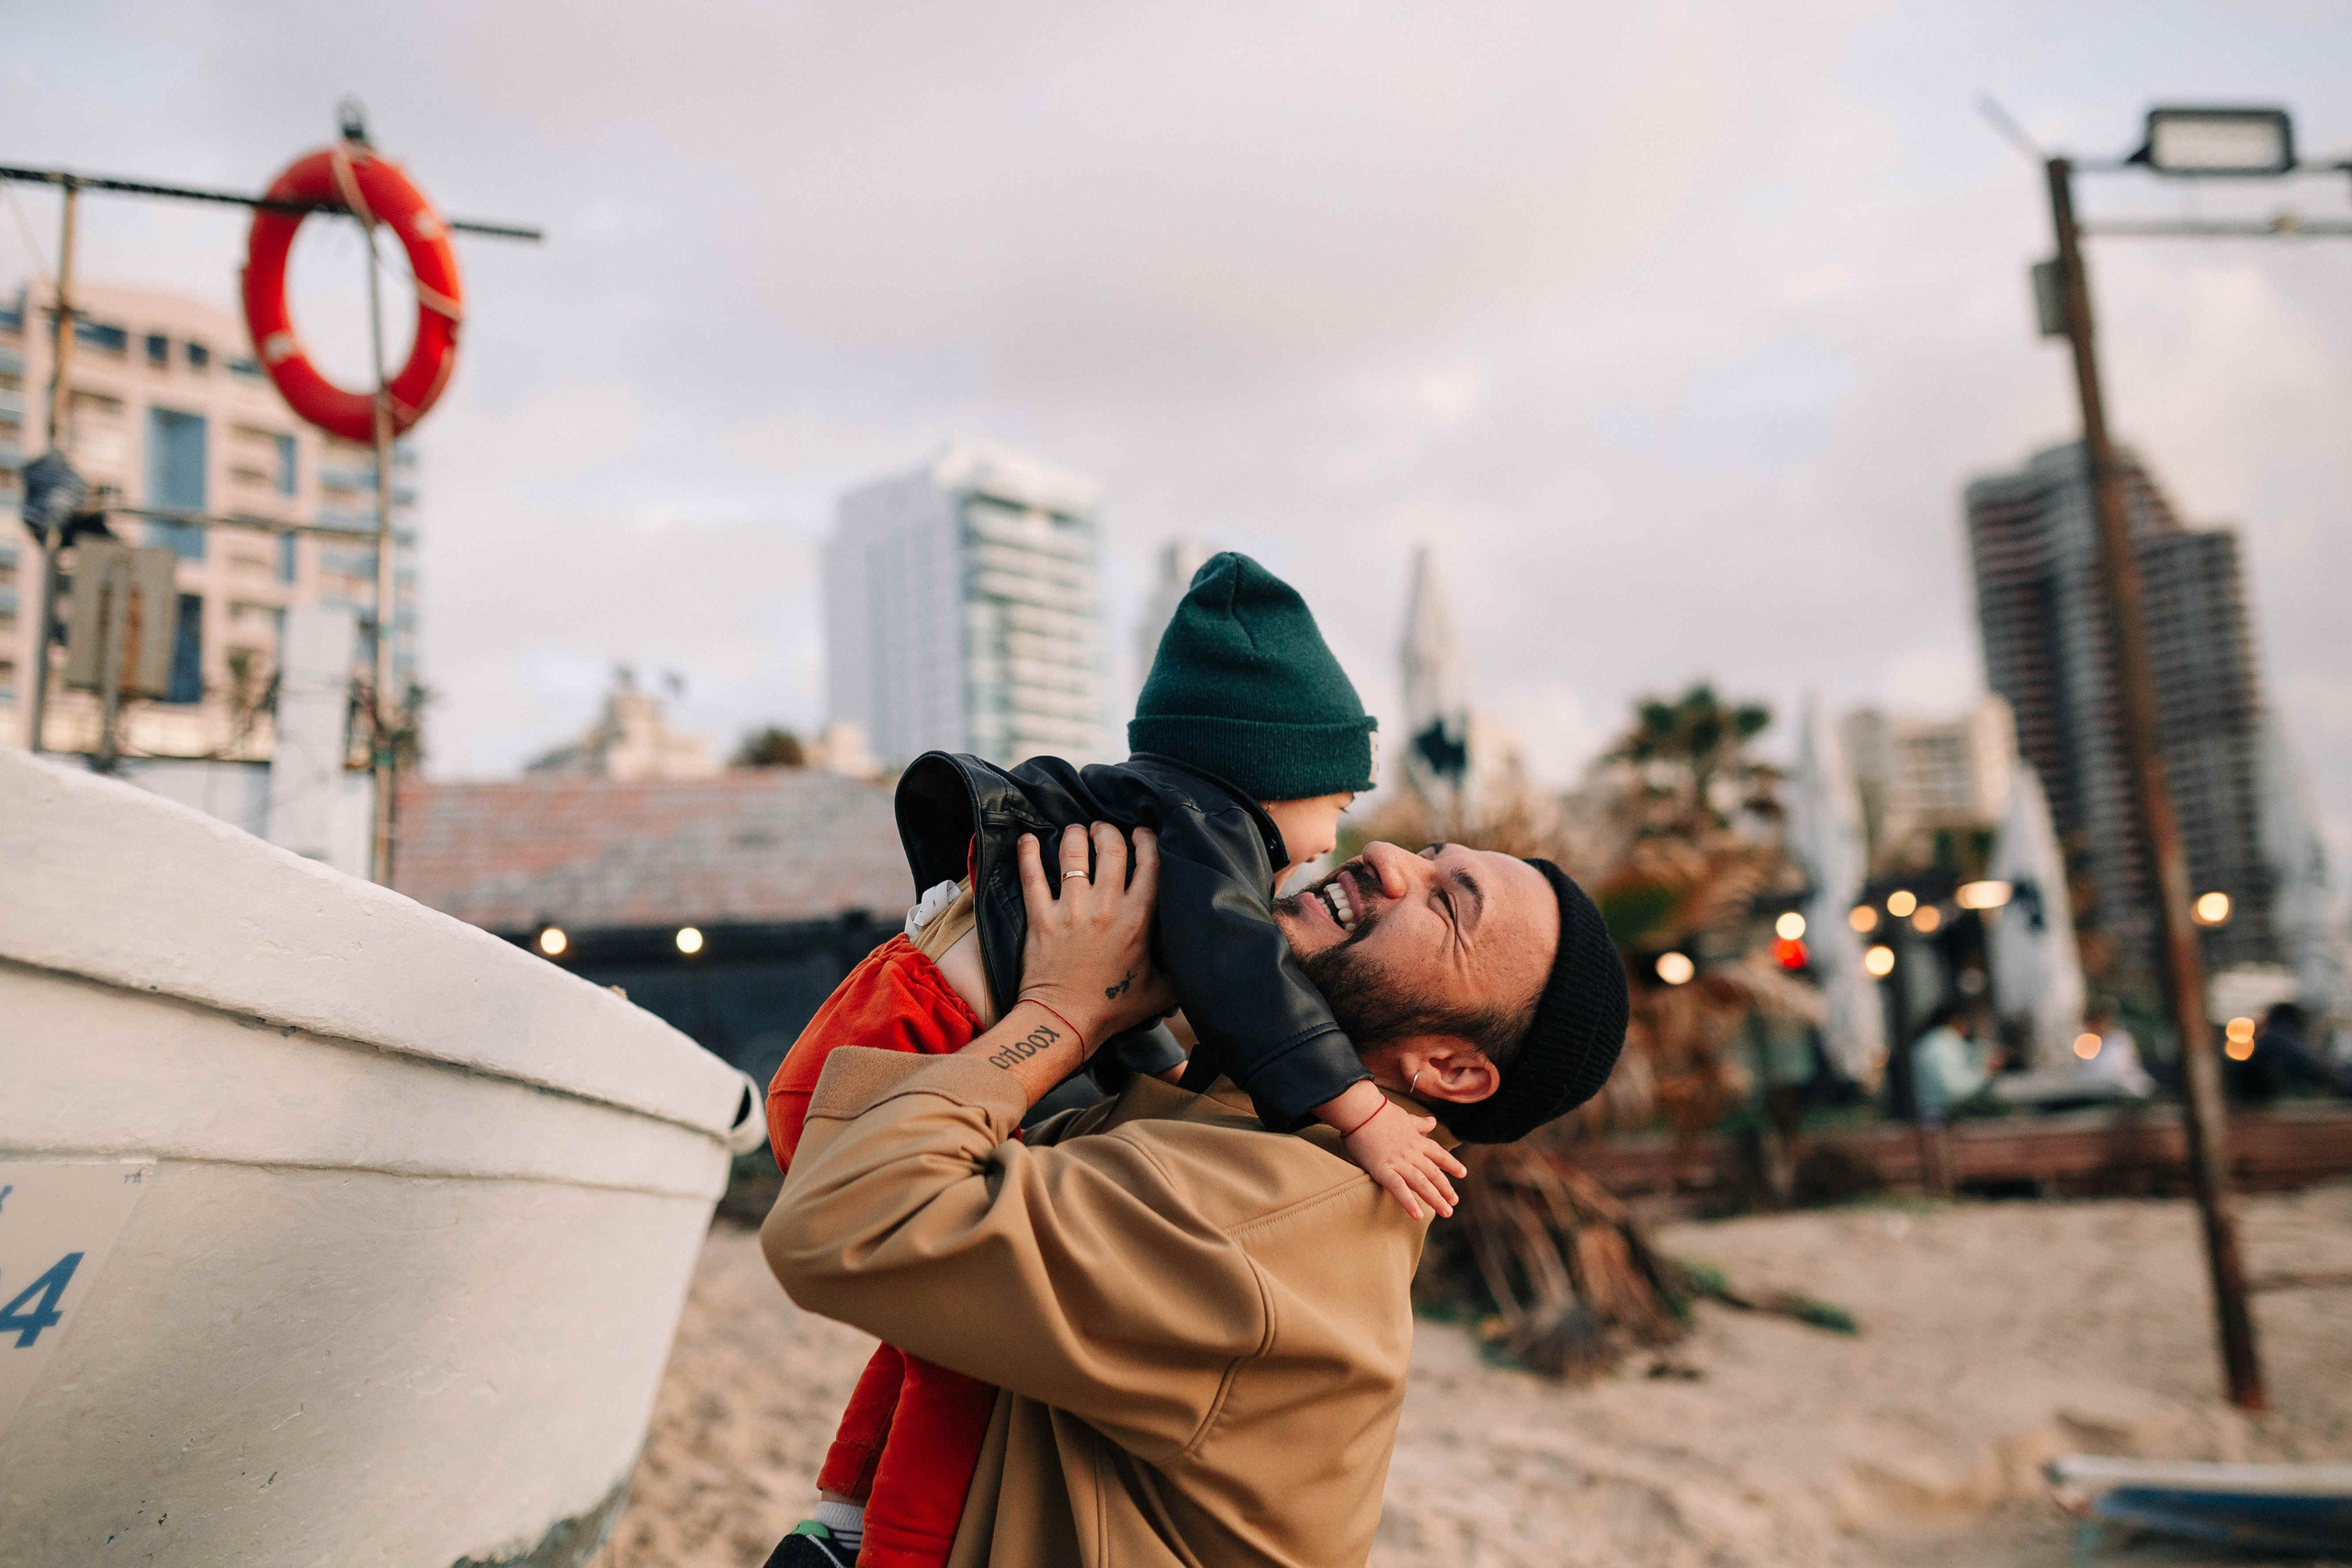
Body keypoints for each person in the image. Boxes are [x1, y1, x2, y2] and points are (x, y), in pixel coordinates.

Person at [763, 553, 1464, 1567]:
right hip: (894, 1060)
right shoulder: (1212, 843)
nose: (1339, 841)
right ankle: (887, 1546)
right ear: (1280, 770)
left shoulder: (1150, 816)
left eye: (1446, 898)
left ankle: (843, 1511)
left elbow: (1122, 986)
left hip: (885, 1025)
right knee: (961, 1339)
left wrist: (1153, 1065)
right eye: (1339, 804)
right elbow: (1235, 980)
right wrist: (1359, 1110)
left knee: (937, 1322)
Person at [764, 821, 1624, 1567]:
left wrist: (1061, 1015)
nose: (1391, 858)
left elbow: (839, 1217)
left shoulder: (1268, 1219)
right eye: (1431, 854)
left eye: (1446, 903)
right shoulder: (1242, 1138)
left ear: (1450, 1070)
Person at [1910, 1003, 1999, 1121]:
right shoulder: (1943, 1045)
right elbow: (1955, 1088)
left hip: (1929, 1111)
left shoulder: (1933, 1041)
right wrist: (1987, 1071)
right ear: (1955, 1021)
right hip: (1936, 1115)